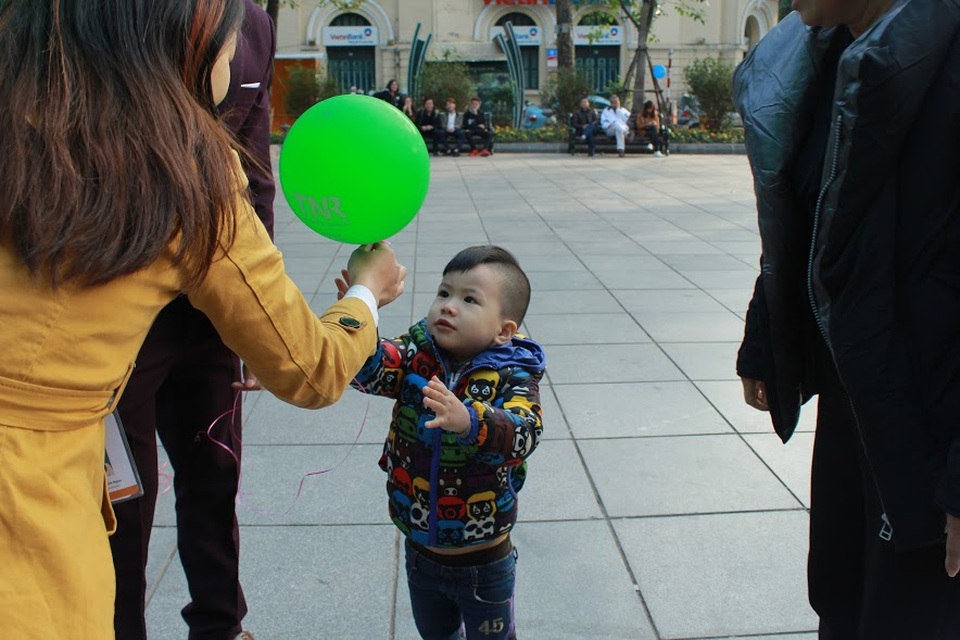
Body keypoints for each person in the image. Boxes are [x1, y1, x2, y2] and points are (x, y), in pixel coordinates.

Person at [0, 2, 407, 639]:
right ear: (181, 42)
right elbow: (313, 370)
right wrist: (366, 293)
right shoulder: (189, 173)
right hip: (30, 510)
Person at [734, 0, 960, 637]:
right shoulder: (825, 56)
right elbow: (806, 219)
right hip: (858, 396)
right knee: (841, 598)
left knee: (907, 613)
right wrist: (765, 330)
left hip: (935, 419)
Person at [107, 1, 277, 639]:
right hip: (121, 301)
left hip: (212, 303)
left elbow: (255, 174)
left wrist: (258, 320)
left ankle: (220, 625)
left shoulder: (254, 24)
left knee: (214, 473)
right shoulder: (113, 15)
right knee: (125, 496)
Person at [344, 246, 546, 640]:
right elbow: (370, 371)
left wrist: (470, 421)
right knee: (435, 633)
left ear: (504, 330)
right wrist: (356, 326)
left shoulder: (514, 374)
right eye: (444, 292)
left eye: (470, 299)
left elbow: (525, 432)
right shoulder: (416, 351)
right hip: (420, 551)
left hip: (485, 560)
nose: (449, 306)